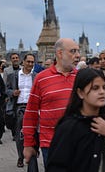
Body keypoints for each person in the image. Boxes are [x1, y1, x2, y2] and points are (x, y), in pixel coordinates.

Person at [47, 68, 105, 171]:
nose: (102, 92)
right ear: (80, 93)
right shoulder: (69, 127)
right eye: (95, 88)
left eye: (104, 87)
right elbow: (56, 166)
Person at [23, 38, 80, 168]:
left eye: (78, 51)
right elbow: (31, 113)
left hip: (78, 142)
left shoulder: (81, 77)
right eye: (73, 51)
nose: (77, 55)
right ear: (60, 53)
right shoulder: (41, 78)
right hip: (51, 143)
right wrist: (28, 144)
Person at [6, 54, 37, 168]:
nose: (30, 64)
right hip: (19, 107)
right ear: (23, 62)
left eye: (32, 62)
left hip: (33, 107)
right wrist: (12, 93)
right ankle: (20, 156)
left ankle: (33, 152)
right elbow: (6, 89)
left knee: (34, 133)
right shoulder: (13, 75)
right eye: (28, 61)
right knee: (20, 134)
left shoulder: (36, 76)